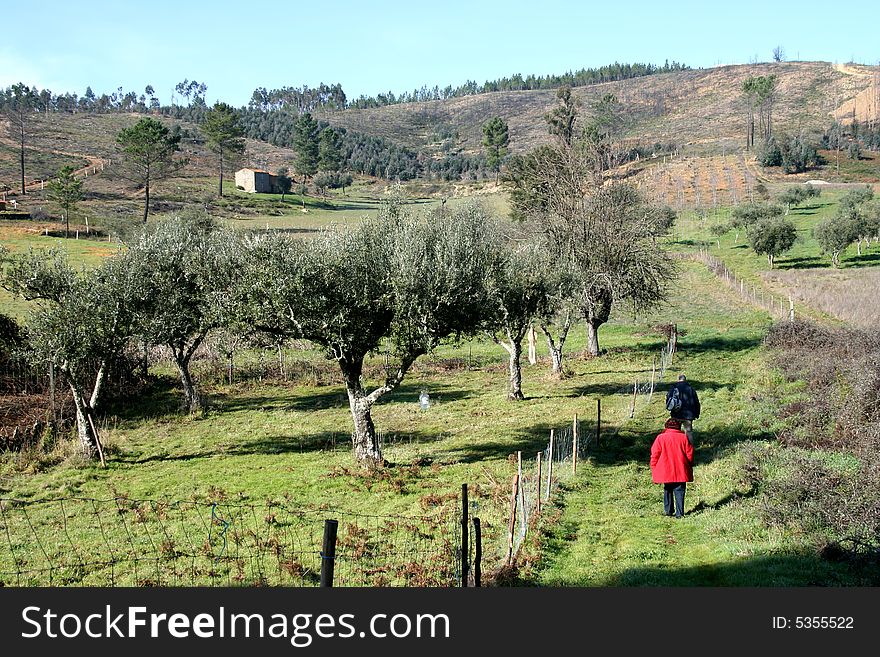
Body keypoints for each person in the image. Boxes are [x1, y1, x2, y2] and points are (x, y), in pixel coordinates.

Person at [650, 418, 694, 518]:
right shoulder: (684, 438)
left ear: (666, 426)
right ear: (678, 426)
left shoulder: (660, 438)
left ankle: (668, 511)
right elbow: (690, 454)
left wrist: (653, 466)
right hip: (681, 469)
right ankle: (680, 513)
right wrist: (689, 465)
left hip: (666, 469)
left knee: (667, 489)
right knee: (679, 491)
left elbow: (655, 454)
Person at [666, 374, 700, 446]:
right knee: (689, 432)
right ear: (685, 380)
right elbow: (696, 402)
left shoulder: (674, 387)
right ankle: (689, 449)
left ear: (678, 379)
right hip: (688, 415)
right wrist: (697, 414)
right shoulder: (690, 388)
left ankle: (676, 448)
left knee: (675, 432)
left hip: (676, 414)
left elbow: (668, 400)